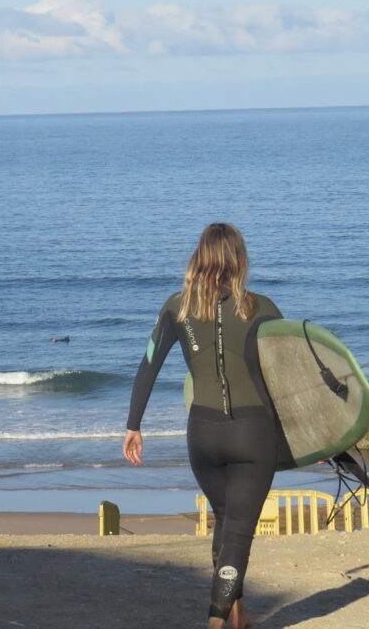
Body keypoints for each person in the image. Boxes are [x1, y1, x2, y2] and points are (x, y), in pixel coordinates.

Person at [123, 223, 283, 629]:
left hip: (203, 435)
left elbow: (148, 366)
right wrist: (321, 437)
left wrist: (133, 426)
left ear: (200, 256)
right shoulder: (261, 307)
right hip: (253, 434)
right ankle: (215, 622)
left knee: (227, 521)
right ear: (239, 258)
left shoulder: (177, 306)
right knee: (239, 531)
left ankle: (238, 615)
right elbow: (289, 379)